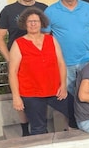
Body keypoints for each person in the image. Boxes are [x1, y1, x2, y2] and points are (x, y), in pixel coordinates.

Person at [8, 7, 76, 135]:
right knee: (38, 128)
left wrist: (63, 86)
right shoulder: (18, 44)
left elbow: (61, 63)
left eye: (36, 21)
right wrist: (16, 97)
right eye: (30, 21)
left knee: (75, 110)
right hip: (31, 93)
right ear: (25, 24)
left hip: (54, 89)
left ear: (41, 23)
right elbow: (12, 73)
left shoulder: (51, 39)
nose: (33, 24)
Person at [0, 0, 48, 136]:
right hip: (19, 62)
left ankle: (40, 125)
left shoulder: (44, 8)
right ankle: (25, 129)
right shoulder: (8, 10)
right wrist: (9, 59)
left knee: (41, 94)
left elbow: (50, 33)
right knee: (21, 96)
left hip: (39, 61)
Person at [44, 0, 89, 98]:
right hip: (63, 62)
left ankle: (88, 117)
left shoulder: (88, 8)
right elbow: (45, 37)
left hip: (86, 60)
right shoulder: (51, 11)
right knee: (67, 97)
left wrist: (88, 46)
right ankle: (71, 118)